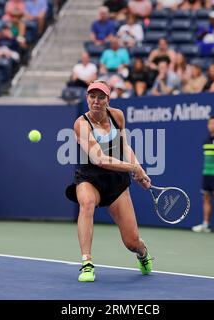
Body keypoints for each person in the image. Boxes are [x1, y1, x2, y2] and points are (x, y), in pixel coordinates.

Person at [65, 80, 153, 282]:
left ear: (108, 99)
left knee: (131, 242)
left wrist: (139, 169)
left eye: (101, 97)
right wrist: (133, 168)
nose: (96, 101)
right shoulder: (81, 124)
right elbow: (100, 160)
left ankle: (142, 253)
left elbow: (124, 146)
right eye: (92, 96)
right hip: (89, 177)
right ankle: (87, 263)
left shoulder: (117, 116)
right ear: (87, 98)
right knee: (86, 204)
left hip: (116, 182)